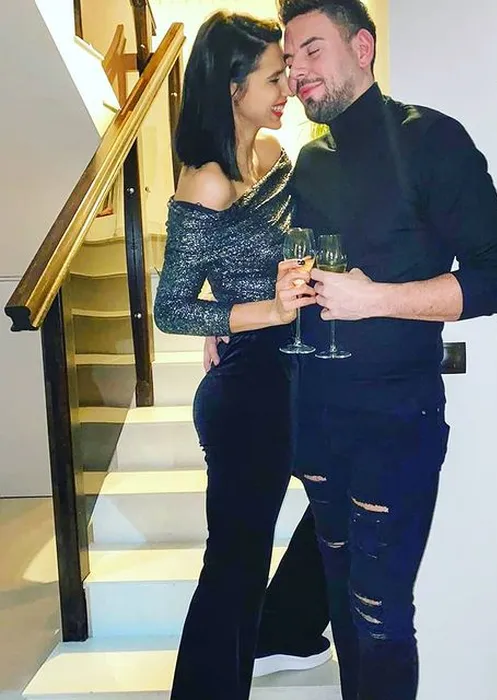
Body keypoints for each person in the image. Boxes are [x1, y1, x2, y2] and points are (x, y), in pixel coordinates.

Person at [279, 2, 497, 698]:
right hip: (315, 417)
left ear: (363, 47)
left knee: (380, 611)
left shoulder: (433, 140)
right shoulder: (310, 161)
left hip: (394, 423)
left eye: (312, 50)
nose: (297, 72)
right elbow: (296, 274)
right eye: (290, 59)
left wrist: (376, 298)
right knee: (338, 594)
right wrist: (253, 306)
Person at [153, 12, 321, 699]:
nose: (289, 89)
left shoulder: (274, 155)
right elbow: (170, 306)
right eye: (274, 78)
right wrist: (253, 314)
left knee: (347, 494)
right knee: (236, 562)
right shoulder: (208, 181)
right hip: (250, 385)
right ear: (232, 87)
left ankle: (283, 627)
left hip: (301, 365)